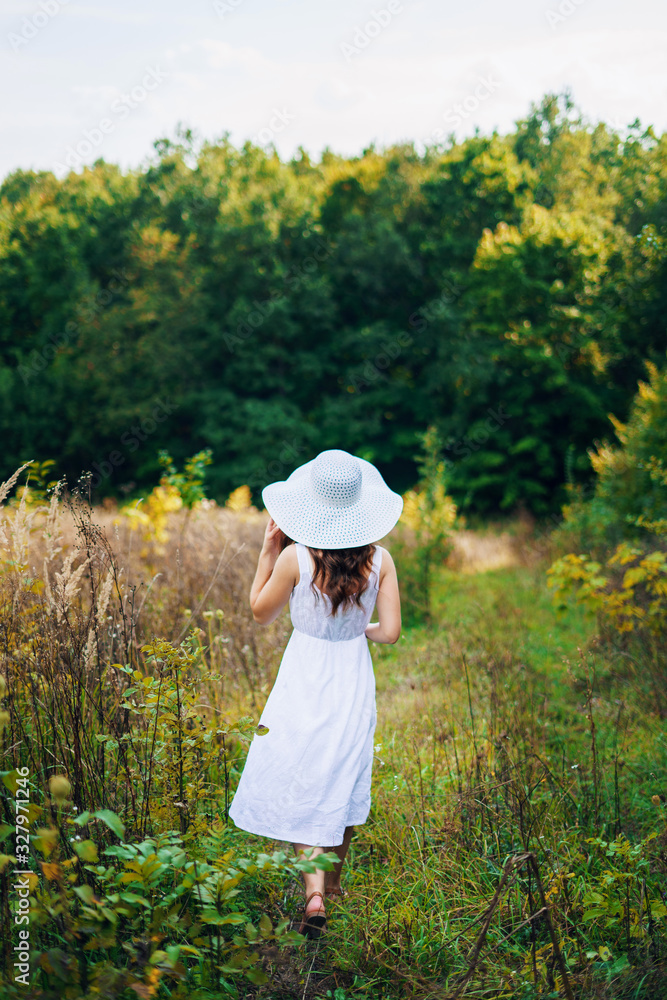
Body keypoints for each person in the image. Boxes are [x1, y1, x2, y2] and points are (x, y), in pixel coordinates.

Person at [228, 449, 403, 938]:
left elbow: (260, 612)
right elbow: (389, 632)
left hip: (303, 674)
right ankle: (333, 884)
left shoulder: (293, 557)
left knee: (307, 772)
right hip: (351, 676)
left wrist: (267, 549)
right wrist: (354, 632)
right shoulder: (382, 559)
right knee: (342, 773)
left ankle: (314, 894)